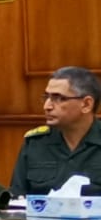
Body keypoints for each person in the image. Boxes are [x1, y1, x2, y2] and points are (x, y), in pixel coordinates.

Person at [10, 66, 101, 196]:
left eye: (59, 98)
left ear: (86, 104)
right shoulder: (35, 143)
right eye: (46, 97)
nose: (47, 106)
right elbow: (17, 199)